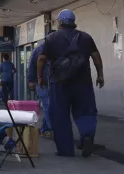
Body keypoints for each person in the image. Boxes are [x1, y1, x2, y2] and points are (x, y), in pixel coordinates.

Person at [37, 9, 104, 157]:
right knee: (86, 111)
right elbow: (96, 57)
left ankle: (65, 150)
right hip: (83, 82)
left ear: (60, 22)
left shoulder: (52, 38)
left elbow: (41, 59)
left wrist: (40, 77)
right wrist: (100, 75)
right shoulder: (86, 37)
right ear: (73, 22)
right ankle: (86, 136)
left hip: (59, 83)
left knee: (59, 114)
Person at [27, 39, 53, 138]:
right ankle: (54, 130)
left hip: (51, 83)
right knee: (48, 106)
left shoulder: (56, 47)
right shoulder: (38, 50)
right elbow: (32, 65)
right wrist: (31, 81)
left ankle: (44, 129)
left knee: (48, 107)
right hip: (42, 84)